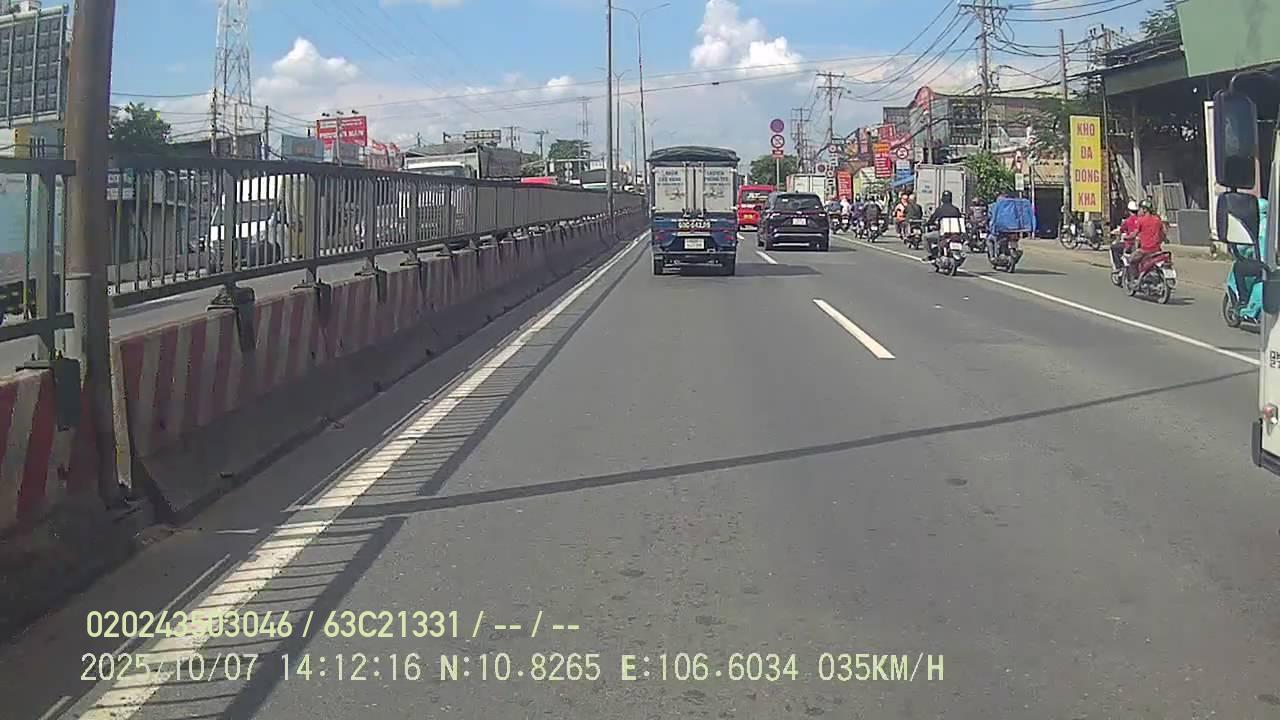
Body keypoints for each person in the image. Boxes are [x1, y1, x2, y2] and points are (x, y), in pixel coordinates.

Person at [1126, 199, 1165, 282]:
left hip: (1145, 250)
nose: (1139, 211)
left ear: (1144, 210)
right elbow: (1163, 235)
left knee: (1131, 260)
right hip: (1157, 250)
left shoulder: (1141, 220)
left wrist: (1127, 237)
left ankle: (1135, 279)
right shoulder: (1157, 220)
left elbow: (1134, 234)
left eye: (1140, 209)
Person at [922, 190, 964, 261]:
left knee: (925, 237)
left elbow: (932, 219)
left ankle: (933, 254)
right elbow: (960, 219)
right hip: (955, 233)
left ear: (942, 199)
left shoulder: (940, 209)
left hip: (943, 233)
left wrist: (927, 224)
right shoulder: (956, 209)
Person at [1110, 200, 1141, 273]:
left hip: (1130, 244)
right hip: (1140, 244)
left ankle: (1118, 267)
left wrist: (1113, 232)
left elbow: (1121, 230)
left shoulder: (1127, 221)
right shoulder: (1141, 219)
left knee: (1114, 247)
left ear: (1129, 211)